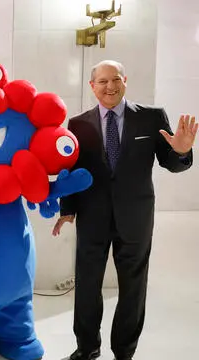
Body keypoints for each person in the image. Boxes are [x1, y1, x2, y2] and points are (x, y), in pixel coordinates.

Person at [53, 60, 197, 360]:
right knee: (88, 285)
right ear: (92, 86)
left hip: (136, 217)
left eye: (115, 79)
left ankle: (124, 351)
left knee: (133, 288)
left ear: (125, 81)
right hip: (92, 217)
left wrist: (182, 152)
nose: (110, 86)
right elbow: (72, 169)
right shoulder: (78, 124)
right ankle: (87, 348)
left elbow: (170, 161)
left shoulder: (151, 117)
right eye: (102, 81)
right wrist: (67, 208)